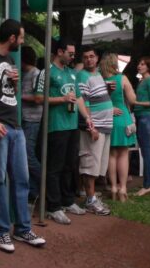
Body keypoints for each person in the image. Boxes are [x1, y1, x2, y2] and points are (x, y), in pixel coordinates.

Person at [0, 19, 45, 253]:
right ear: (12, 38)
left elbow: (8, 93)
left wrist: (15, 85)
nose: (23, 41)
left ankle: (23, 228)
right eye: (21, 37)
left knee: (22, 178)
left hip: (15, 126)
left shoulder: (10, 59)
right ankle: (1, 230)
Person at [35, 38, 85, 224]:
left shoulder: (72, 73)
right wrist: (62, 100)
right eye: (70, 53)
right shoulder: (46, 72)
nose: (72, 57)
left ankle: (67, 200)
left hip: (72, 125)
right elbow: (39, 98)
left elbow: (78, 98)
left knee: (70, 165)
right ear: (60, 52)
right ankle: (53, 206)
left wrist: (87, 119)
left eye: (73, 54)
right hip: (55, 126)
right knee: (54, 167)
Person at [74, 46, 112, 215]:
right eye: (85, 57)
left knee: (98, 165)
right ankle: (90, 199)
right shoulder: (82, 75)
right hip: (94, 126)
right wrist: (92, 127)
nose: (89, 59)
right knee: (90, 164)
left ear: (97, 58)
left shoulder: (97, 75)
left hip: (104, 125)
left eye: (91, 56)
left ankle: (92, 197)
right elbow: (84, 102)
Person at [100, 53, 137, 202]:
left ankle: (113, 187)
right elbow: (132, 100)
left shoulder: (101, 80)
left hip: (108, 118)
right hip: (123, 118)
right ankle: (123, 188)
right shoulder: (122, 79)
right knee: (123, 154)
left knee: (111, 155)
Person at [133, 56, 150, 196]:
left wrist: (137, 103)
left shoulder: (149, 81)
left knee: (146, 151)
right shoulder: (143, 80)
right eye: (139, 63)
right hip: (141, 116)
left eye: (142, 64)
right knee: (146, 150)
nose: (139, 66)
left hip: (145, 117)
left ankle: (147, 184)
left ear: (148, 67)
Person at [20, 46, 42, 202]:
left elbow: (37, 98)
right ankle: (34, 191)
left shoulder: (35, 73)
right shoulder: (25, 73)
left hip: (33, 119)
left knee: (28, 155)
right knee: (25, 154)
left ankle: (43, 182)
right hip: (25, 118)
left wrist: (19, 96)